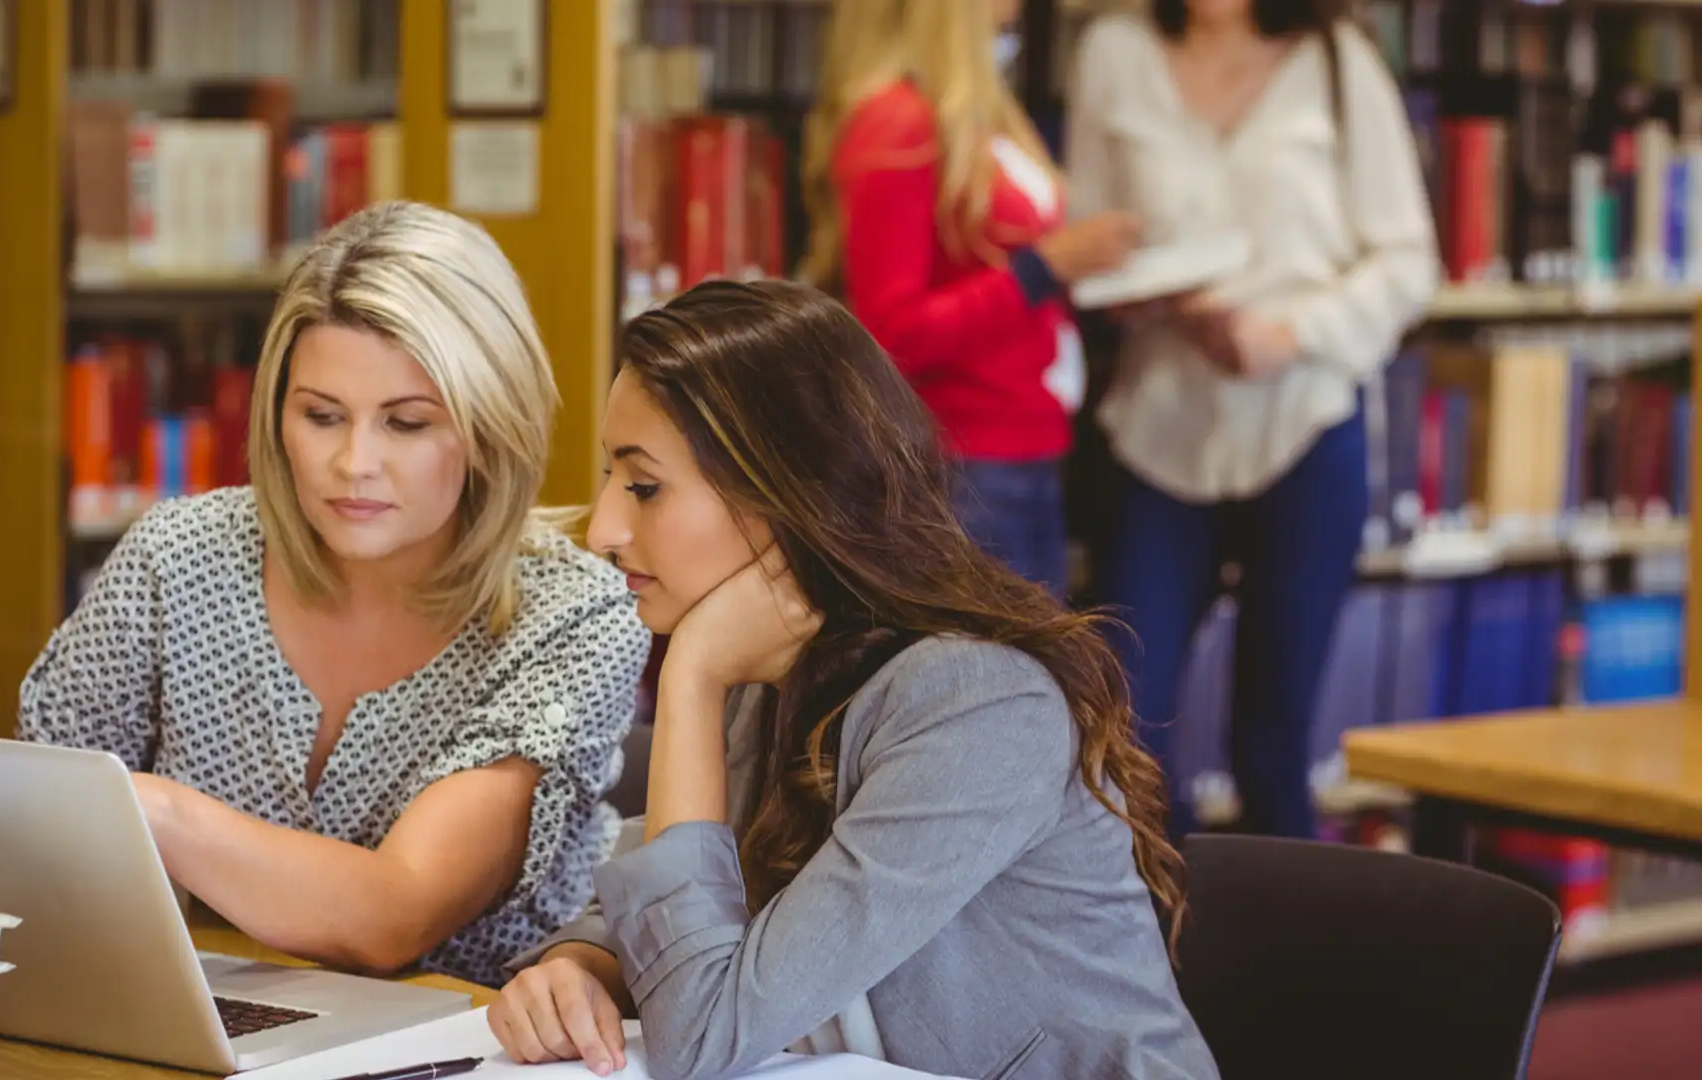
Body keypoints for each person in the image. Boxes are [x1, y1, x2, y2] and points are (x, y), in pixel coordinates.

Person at [488, 280, 1217, 1080]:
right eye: (609, 477)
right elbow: (691, 904)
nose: (605, 529)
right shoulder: (775, 678)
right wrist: (585, 966)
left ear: (782, 494)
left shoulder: (976, 707)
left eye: (645, 486)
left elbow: (699, 1036)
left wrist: (691, 678)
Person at [16, 202, 651, 987]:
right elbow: (31, 828)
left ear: (492, 424)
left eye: (407, 424)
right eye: (321, 415)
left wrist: (144, 807)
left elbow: (398, 915)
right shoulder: (176, 558)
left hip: (473, 1046)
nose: (354, 463)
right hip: (213, 1022)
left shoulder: (575, 614)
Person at [1066, 0, 1438, 839]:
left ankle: (1288, 963)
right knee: (1123, 729)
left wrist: (1291, 335)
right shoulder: (1113, 54)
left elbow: (1409, 260)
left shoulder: (1337, 57)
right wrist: (1151, 293)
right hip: (1158, 430)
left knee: (1273, 740)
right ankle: (1153, 951)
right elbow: (1084, 239)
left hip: (1304, 428)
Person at [799, 0, 1142, 596]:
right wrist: (1041, 269)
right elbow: (891, 333)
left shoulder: (975, 115)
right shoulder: (899, 123)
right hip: (965, 463)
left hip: (1025, 451)